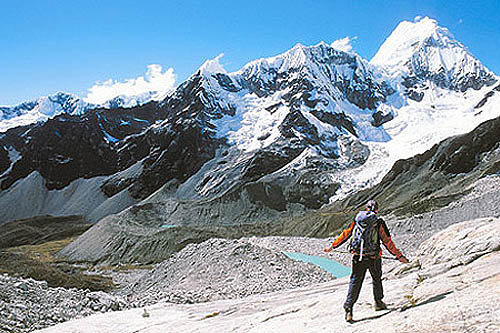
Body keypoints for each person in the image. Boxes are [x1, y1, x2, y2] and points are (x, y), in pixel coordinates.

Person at [324, 199, 409, 322]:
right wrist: (399, 256)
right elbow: (387, 242)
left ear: (366, 208)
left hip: (358, 256)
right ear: (376, 210)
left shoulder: (357, 220)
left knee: (355, 281)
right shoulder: (378, 222)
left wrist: (332, 246)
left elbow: (346, 233)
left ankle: (348, 308)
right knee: (376, 279)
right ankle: (378, 302)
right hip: (374, 257)